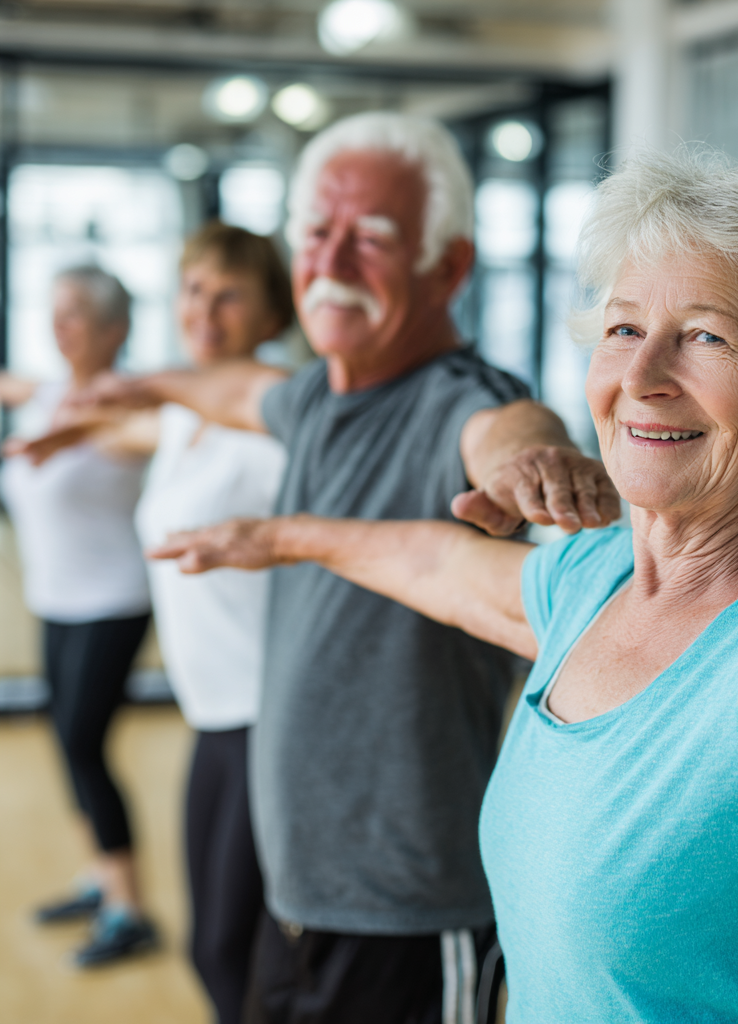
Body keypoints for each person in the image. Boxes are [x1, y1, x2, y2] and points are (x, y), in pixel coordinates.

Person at [152, 151, 738, 1024]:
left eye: (706, 336)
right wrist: (278, 537)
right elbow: (435, 565)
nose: (641, 378)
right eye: (624, 329)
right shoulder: (596, 579)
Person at [59, 113, 620, 1023]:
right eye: (318, 233)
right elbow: (234, 388)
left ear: (448, 268)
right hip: (299, 892)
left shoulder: (460, 399)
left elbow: (506, 431)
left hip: (409, 909)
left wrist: (533, 460)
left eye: (372, 238)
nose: (333, 260)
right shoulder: (316, 397)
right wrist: (139, 384)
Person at [11, 223, 295, 1023]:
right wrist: (67, 428)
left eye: (230, 294)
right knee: (216, 949)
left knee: (237, 949)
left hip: (266, 710)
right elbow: (132, 427)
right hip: (211, 710)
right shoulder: (185, 418)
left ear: (273, 314)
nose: (205, 309)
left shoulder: (278, 423)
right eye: (194, 290)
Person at [0, 266, 157, 966]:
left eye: (76, 315)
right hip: (56, 601)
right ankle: (100, 877)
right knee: (65, 743)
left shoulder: (124, 405)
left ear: (114, 329)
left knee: (84, 744)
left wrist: (73, 428)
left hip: (111, 601)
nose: (58, 327)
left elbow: (141, 431)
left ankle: (130, 910)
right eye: (54, 312)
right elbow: (15, 385)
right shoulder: (48, 393)